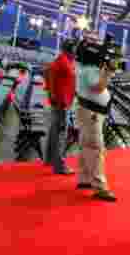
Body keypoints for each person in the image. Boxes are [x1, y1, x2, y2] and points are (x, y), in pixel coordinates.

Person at [75, 47, 118, 202]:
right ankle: (100, 187)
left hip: (88, 111)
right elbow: (99, 88)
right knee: (95, 147)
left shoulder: (85, 68)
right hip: (91, 113)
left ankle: (84, 178)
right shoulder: (89, 70)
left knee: (86, 145)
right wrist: (108, 72)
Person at [44, 40, 77, 175]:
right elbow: (48, 71)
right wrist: (51, 93)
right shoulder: (63, 61)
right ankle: (60, 166)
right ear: (70, 50)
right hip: (61, 103)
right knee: (61, 135)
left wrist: (51, 92)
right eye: (74, 50)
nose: (76, 53)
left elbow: (48, 71)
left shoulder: (65, 61)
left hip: (62, 101)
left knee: (54, 131)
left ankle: (49, 159)